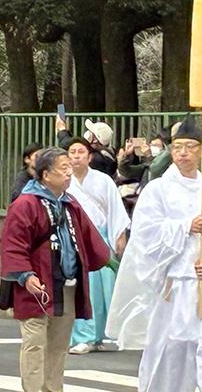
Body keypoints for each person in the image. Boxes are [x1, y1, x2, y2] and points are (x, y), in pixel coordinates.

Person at [106, 116, 202, 392]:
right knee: (169, 358)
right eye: (178, 147)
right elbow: (146, 237)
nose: (184, 153)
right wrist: (185, 226)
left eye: (191, 146)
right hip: (172, 289)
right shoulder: (157, 191)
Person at [0, 147, 111, 392]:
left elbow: (89, 239)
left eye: (70, 167)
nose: (69, 173)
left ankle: (53, 388)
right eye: (63, 168)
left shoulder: (70, 203)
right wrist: (25, 275)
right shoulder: (26, 204)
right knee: (35, 343)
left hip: (66, 285)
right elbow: (13, 244)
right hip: (36, 285)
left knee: (59, 346)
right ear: (46, 174)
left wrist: (110, 261)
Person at [64, 137, 129, 355]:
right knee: (83, 288)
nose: (76, 156)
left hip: (100, 238)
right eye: (72, 152)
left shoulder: (103, 181)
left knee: (102, 289)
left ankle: (98, 334)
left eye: (80, 152)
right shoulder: (64, 181)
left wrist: (119, 236)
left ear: (90, 156)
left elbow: (116, 209)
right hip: (75, 239)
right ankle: (83, 335)